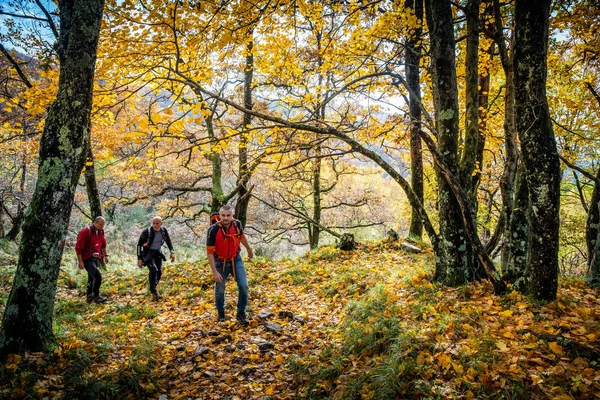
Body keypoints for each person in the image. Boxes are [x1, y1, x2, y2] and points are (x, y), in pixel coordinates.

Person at [206, 205, 254, 324]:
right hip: (219, 261)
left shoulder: (237, 224)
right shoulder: (213, 230)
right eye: (223, 215)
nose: (226, 218)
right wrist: (214, 272)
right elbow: (209, 252)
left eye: (228, 215)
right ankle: (221, 314)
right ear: (219, 216)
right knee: (220, 289)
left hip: (236, 259)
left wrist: (249, 249)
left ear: (232, 216)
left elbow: (242, 237)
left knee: (244, 286)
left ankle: (241, 313)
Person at [137, 216, 175, 300]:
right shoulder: (147, 231)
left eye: (157, 223)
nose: (155, 225)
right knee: (154, 270)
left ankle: (154, 287)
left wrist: (172, 252)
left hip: (158, 253)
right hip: (148, 254)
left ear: (161, 223)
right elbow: (139, 245)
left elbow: (168, 241)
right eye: (153, 223)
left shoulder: (163, 231)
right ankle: (153, 290)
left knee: (159, 272)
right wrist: (139, 258)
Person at [76, 216, 109, 303]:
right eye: (100, 225)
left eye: (103, 225)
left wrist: (105, 256)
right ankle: (96, 296)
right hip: (87, 258)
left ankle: (89, 296)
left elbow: (103, 244)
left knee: (91, 278)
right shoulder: (86, 231)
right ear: (95, 222)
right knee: (97, 276)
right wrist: (80, 261)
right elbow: (78, 248)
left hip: (96, 258)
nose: (102, 226)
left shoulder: (101, 231)